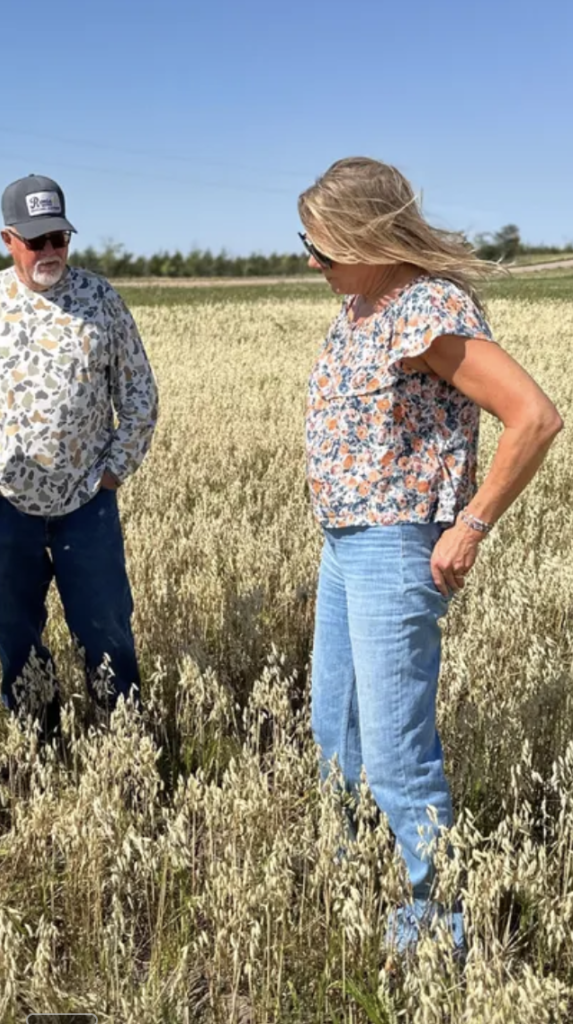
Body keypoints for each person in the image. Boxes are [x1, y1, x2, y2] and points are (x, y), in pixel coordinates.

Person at [298, 156, 563, 958]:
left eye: (320, 246)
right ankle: (351, 880)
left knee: (395, 753)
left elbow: (535, 417)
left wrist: (471, 523)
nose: (311, 261)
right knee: (336, 729)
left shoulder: (428, 308)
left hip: (394, 546)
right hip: (343, 542)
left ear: (366, 238)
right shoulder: (361, 304)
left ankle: (441, 927)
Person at [0, 174, 158, 735]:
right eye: (37, 241)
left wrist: (113, 472)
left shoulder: (101, 300)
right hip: (2, 507)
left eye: (60, 238)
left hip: (87, 505)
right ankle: (38, 745)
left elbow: (139, 395)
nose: (51, 251)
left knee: (107, 631)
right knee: (17, 637)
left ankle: (122, 745)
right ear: (8, 239)